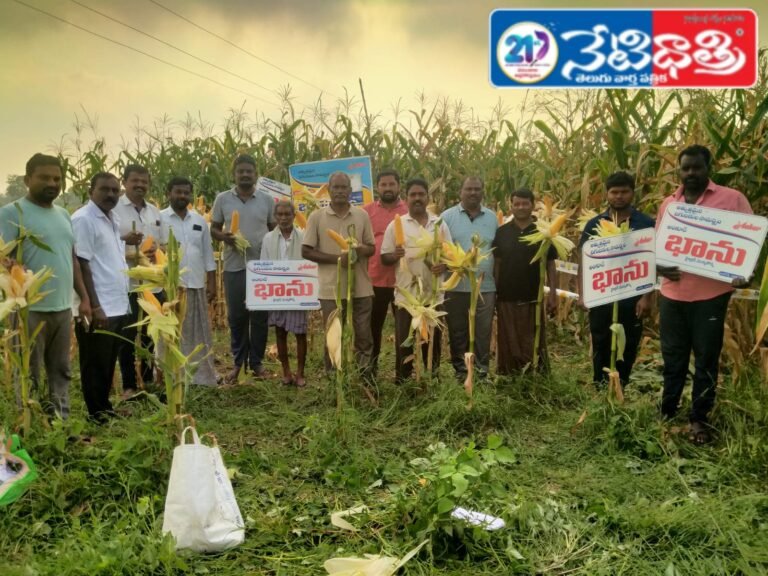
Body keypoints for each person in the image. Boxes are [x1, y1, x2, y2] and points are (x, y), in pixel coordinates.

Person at [656, 145, 753, 444]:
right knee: (673, 357)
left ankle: (700, 418)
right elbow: (658, 247)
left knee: (706, 358)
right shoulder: (668, 204)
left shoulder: (732, 200)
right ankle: (667, 411)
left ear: (708, 168)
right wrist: (660, 266)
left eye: (696, 168)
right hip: (672, 294)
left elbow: (749, 240)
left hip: (711, 295)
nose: (690, 174)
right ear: (679, 170)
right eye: (685, 169)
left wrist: (743, 273)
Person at [0, 154, 91, 419]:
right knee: (28, 370)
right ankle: (28, 424)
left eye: (57, 178)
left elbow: (71, 258)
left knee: (61, 370)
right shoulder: (11, 213)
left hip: (62, 307)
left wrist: (83, 297)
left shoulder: (64, 214)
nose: (52, 183)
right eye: (45, 177)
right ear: (28, 179)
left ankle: (60, 424)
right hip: (28, 308)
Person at [578, 172, 655, 387]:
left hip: (632, 296)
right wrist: (583, 293)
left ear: (632, 193)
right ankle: (600, 386)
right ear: (607, 194)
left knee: (628, 343)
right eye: (614, 192)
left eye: (624, 192)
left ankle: (621, 386)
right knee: (601, 340)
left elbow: (651, 261)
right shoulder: (595, 224)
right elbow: (584, 260)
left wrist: (647, 296)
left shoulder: (645, 224)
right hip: (601, 294)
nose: (619, 196)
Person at [301, 171, 375, 375]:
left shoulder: (361, 215)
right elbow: (306, 251)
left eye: (344, 187)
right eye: (336, 187)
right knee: (333, 337)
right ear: (329, 190)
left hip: (360, 287)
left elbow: (371, 247)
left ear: (351, 191)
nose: (340, 191)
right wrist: (337, 260)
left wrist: (359, 250)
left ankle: (364, 380)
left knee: (363, 336)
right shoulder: (316, 217)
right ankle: (334, 381)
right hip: (330, 290)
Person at [72, 172, 131, 422]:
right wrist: (94, 306)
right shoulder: (84, 219)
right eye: (104, 189)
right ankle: (96, 414)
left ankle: (105, 408)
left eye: (114, 190)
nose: (110, 194)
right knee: (94, 362)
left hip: (116, 303)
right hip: (99, 305)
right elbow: (81, 264)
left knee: (107, 361)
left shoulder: (112, 219)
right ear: (90, 191)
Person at [211, 154, 275, 383]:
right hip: (234, 265)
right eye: (241, 172)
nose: (245, 175)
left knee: (259, 317)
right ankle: (238, 363)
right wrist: (224, 237)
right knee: (237, 317)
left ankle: (256, 363)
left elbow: (273, 229)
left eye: (249, 171)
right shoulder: (223, 199)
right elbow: (214, 229)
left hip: (261, 266)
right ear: (234, 175)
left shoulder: (267, 200)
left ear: (256, 174)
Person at [381, 177, 451, 382]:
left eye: (421, 194)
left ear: (427, 197)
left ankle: (431, 377)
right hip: (406, 294)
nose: (417, 198)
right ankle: (403, 381)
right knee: (405, 341)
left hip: (434, 294)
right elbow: (384, 257)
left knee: (432, 341)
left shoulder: (439, 223)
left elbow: (449, 255)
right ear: (407, 198)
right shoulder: (396, 225)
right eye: (413, 195)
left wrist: (443, 265)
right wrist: (394, 255)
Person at [113, 164, 168, 396]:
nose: (140, 185)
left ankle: (146, 379)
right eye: (135, 180)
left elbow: (163, 244)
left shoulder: (154, 212)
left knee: (149, 333)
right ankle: (128, 385)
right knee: (126, 336)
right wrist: (125, 240)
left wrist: (156, 249)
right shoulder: (113, 208)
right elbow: (107, 243)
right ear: (124, 182)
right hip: (126, 284)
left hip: (152, 285)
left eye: (144, 181)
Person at [160, 177, 219, 386]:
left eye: (186, 193)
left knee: (197, 332)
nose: (182, 196)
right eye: (178, 192)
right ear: (169, 193)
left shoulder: (199, 220)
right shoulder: (160, 219)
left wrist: (212, 282)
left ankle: (200, 375)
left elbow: (207, 253)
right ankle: (170, 375)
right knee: (171, 333)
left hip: (195, 285)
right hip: (170, 287)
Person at [492, 189, 557, 375]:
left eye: (525, 203)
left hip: (533, 296)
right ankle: (508, 375)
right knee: (508, 338)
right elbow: (497, 264)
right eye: (516, 204)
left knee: (532, 337)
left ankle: (534, 374)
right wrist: (495, 292)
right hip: (506, 295)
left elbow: (550, 265)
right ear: (510, 206)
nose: (520, 207)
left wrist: (553, 293)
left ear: (533, 205)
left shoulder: (544, 232)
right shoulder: (502, 232)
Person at [441, 176, 497, 379]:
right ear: (460, 192)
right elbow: (441, 248)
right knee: (458, 331)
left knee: (483, 331)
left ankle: (481, 372)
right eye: (468, 189)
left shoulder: (492, 218)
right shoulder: (447, 217)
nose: (473, 193)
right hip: (456, 286)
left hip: (486, 286)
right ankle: (461, 372)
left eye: (477, 189)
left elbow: (496, 252)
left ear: (482, 192)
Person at [363, 170, 408, 375]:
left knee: (404, 331)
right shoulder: (367, 212)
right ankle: (371, 371)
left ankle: (403, 373)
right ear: (377, 187)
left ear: (399, 186)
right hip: (375, 279)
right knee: (373, 329)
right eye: (383, 184)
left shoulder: (409, 210)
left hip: (403, 282)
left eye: (392, 184)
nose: (388, 188)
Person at [260, 201, 308, 388]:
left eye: (287, 214)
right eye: (279, 214)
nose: (283, 218)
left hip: (297, 292)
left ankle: (301, 373)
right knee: (280, 333)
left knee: (300, 333)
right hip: (277, 292)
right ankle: (286, 372)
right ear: (275, 216)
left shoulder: (303, 237)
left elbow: (308, 264)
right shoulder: (268, 238)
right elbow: (264, 264)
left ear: (294, 215)